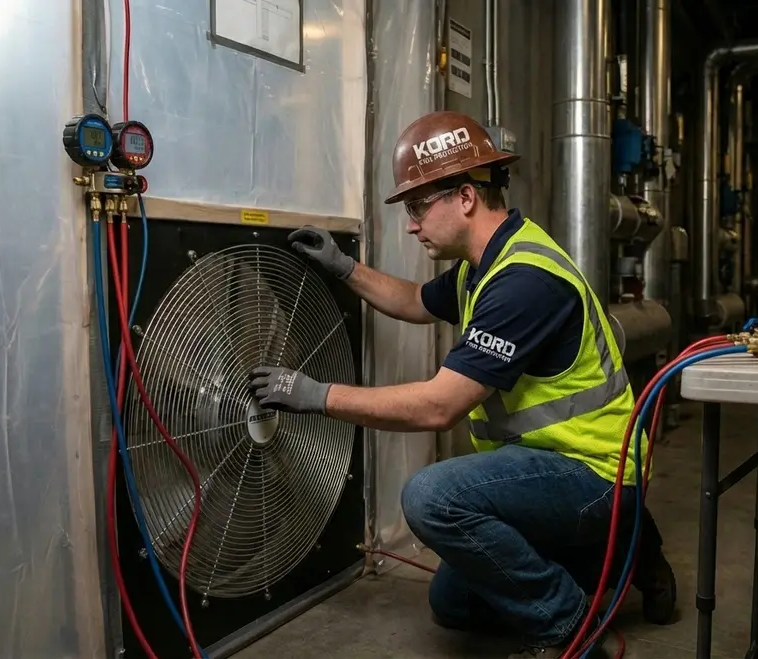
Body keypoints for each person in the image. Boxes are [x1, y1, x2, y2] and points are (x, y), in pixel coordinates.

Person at [248, 111, 676, 657]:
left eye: (418, 206)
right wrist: (342, 267)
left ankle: (571, 628)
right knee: (453, 603)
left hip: (593, 472)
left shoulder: (525, 282)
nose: (411, 223)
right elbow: (414, 302)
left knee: (432, 497)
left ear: (467, 197)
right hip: (545, 469)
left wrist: (315, 394)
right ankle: (625, 552)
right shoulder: (486, 264)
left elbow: (437, 407)